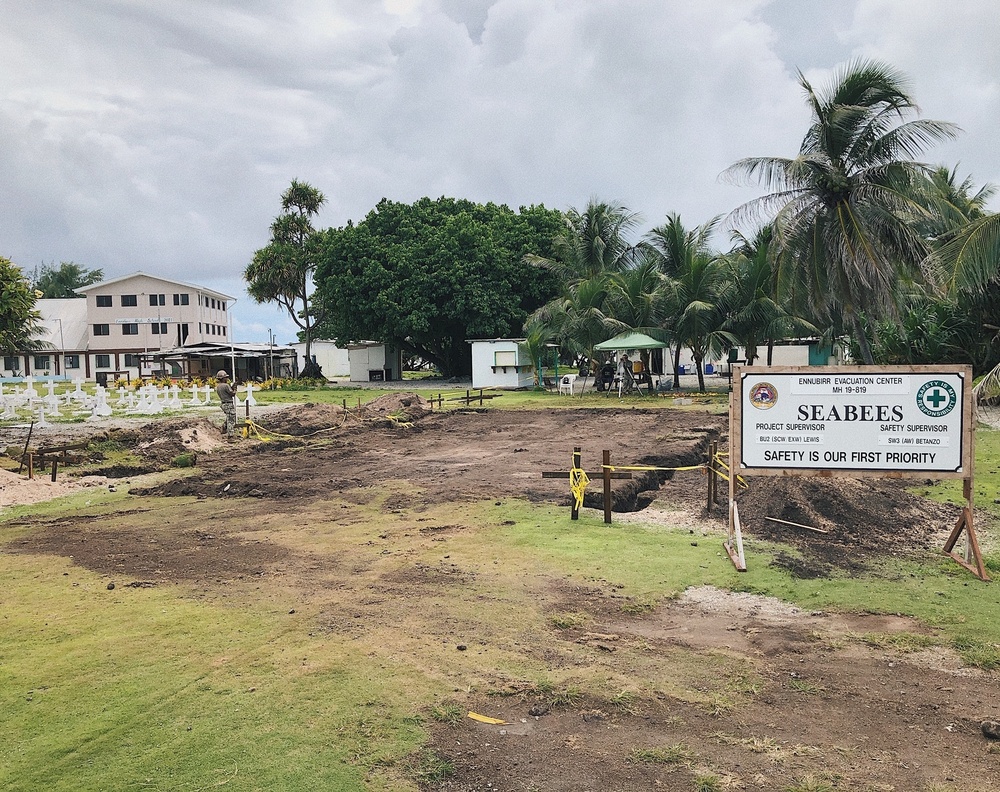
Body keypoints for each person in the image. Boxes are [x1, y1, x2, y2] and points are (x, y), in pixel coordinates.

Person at [215, 370, 237, 437]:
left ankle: (224, 427)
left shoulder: (218, 386)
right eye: (226, 377)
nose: (227, 379)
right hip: (228, 404)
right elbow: (232, 394)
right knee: (231, 420)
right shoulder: (226, 385)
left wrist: (231, 387)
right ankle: (230, 436)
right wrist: (235, 389)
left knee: (229, 417)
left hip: (223, 403)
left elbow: (227, 393)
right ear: (223, 378)